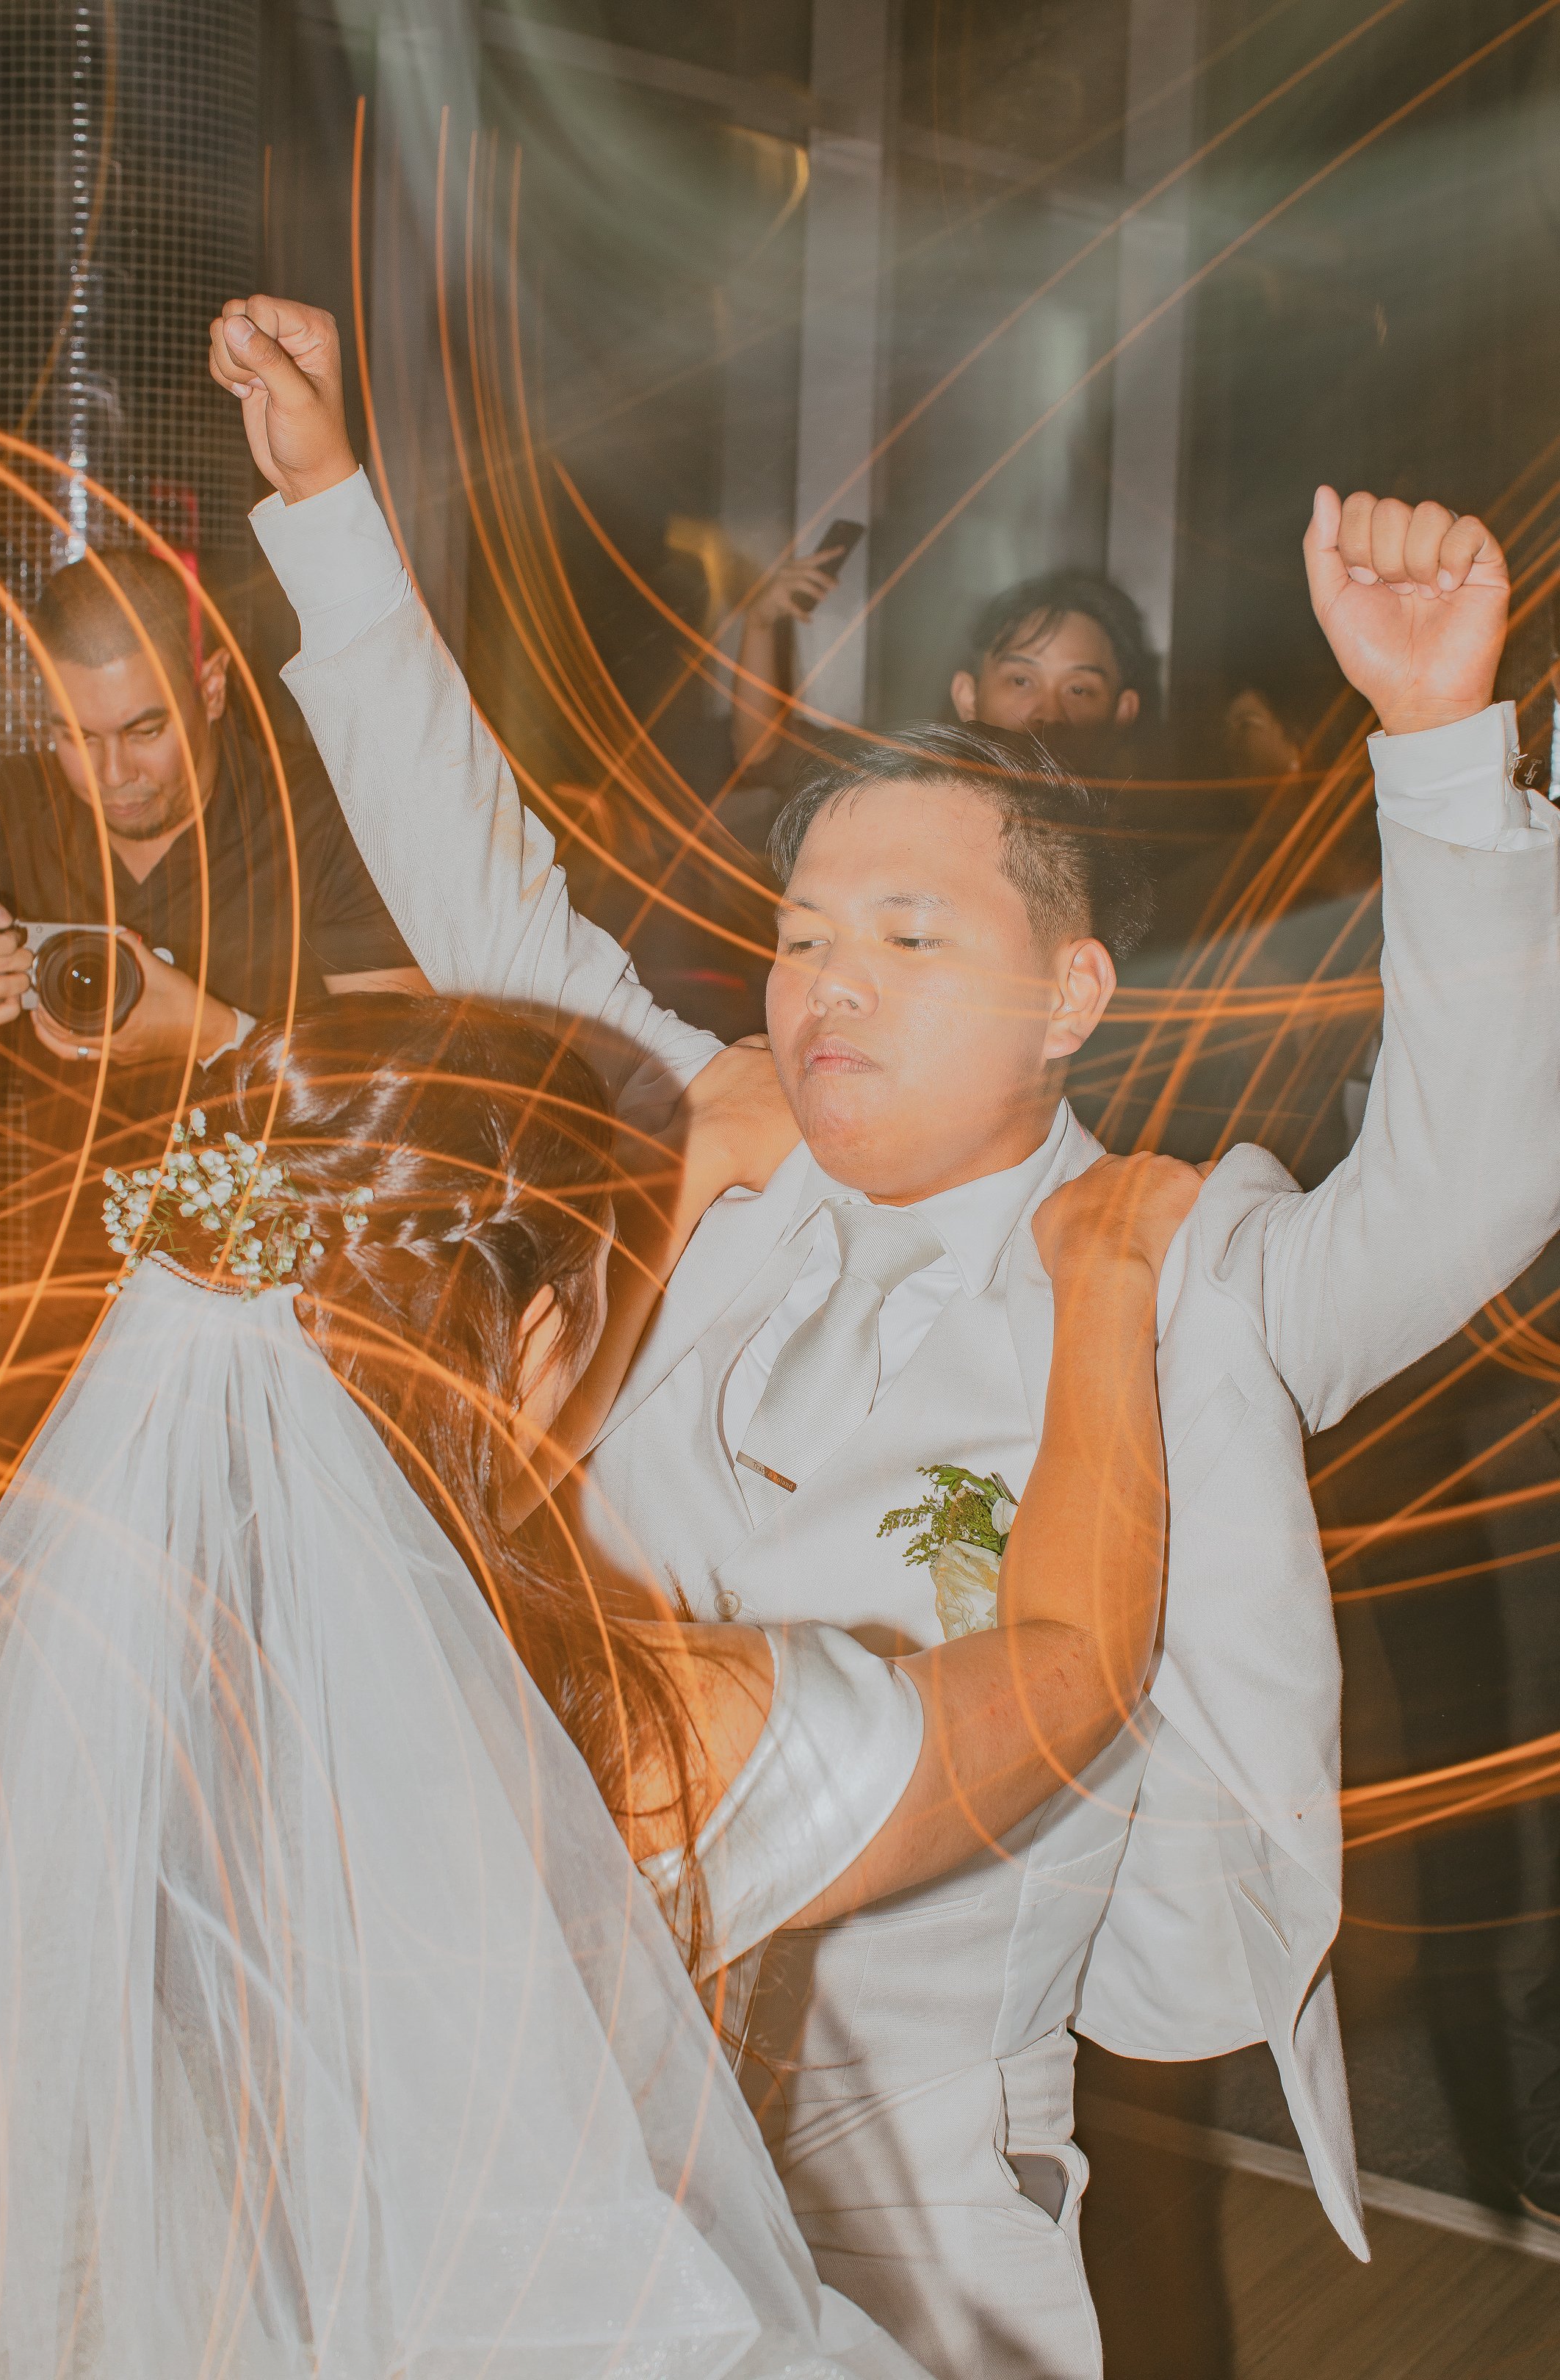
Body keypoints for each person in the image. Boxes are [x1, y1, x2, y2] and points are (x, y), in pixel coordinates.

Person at [212, 293, 1560, 2380]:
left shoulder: (1171, 1273)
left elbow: (1475, 1175)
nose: (823, 983)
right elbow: (490, 905)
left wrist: (1440, 739)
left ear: (1070, 995)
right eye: (801, 935)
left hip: (915, 2216)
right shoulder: (707, 1165)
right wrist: (320, 502)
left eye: (908, 936)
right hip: (555, 2129)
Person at [0, 987, 1194, 2370]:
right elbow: (1070, 1667)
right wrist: (1107, 1275)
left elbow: (441, 1447)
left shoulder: (72, 1666)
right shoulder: (645, 1738)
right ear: (544, 1339)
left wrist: (682, 1167)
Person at [0, 546, 425, 1084]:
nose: (112, 774)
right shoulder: (3, 810)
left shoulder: (331, 822)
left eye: (145, 732)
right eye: (77, 737)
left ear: (211, 689)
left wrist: (216, 1036)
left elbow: (401, 1087)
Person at [729, 552, 1156, 784]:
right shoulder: (918, 785)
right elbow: (763, 753)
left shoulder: (1148, 841)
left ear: (1123, 711)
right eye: (1021, 680)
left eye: (1079, 689)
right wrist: (761, 623)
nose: (1049, 714)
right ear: (967, 697)